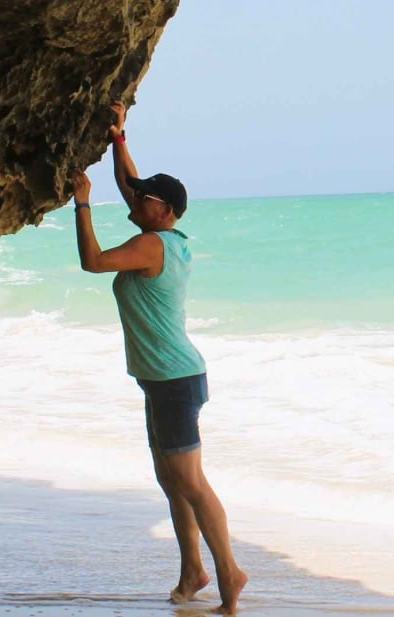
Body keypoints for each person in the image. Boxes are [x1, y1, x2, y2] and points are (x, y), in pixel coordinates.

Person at [69, 101, 247, 614]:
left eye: (144, 199)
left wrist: (82, 202)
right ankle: (193, 570)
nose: (134, 199)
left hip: (172, 378)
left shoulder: (151, 244)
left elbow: (94, 262)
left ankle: (230, 572)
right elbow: (132, 186)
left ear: (162, 210)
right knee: (170, 480)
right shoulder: (171, 236)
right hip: (167, 377)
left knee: (189, 481)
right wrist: (119, 139)